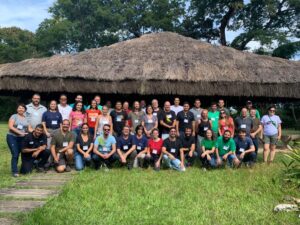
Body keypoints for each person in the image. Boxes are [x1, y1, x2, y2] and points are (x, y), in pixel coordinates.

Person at [7, 104, 32, 177]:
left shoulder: (27, 118)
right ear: (17, 109)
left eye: (22, 108)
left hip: (22, 139)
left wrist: (37, 131)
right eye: (19, 108)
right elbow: (11, 127)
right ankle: (15, 171)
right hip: (12, 137)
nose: (21, 109)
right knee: (15, 154)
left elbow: (29, 129)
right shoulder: (14, 116)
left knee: (24, 153)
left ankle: (24, 169)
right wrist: (20, 133)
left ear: (25, 110)